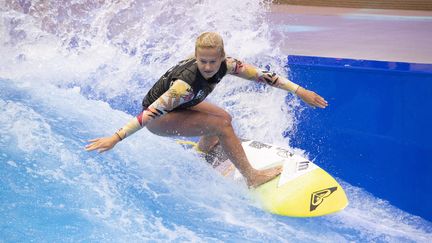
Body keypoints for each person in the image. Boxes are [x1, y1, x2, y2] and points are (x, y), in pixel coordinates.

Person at [85, 32, 328, 188]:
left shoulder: (229, 65)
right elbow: (148, 115)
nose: (208, 67)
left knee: (224, 117)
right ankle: (252, 177)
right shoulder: (184, 85)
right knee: (220, 125)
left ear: (222, 57)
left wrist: (299, 91)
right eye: (203, 61)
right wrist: (115, 138)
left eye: (213, 61)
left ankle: (201, 154)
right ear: (196, 56)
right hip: (161, 118)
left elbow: (264, 77)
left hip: (184, 106)